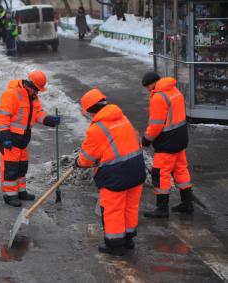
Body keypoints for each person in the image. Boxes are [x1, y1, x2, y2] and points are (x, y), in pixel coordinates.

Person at [75, 89, 146, 256]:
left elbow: (86, 159)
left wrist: (77, 162)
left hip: (116, 175)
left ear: (91, 110)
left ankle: (115, 245)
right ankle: (128, 240)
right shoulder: (122, 117)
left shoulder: (97, 128)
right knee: (130, 206)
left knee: (113, 209)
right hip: (136, 168)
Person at [0, 71, 61, 207]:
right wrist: (5, 137)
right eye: (36, 89)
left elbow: (38, 113)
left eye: (38, 90)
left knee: (21, 167)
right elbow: (3, 117)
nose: (37, 93)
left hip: (23, 138)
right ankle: (10, 195)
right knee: (10, 168)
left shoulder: (33, 97)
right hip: (10, 138)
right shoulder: (11, 94)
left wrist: (49, 120)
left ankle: (21, 191)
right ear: (28, 85)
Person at [141, 72, 193, 218]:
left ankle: (162, 209)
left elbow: (156, 125)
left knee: (160, 173)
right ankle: (187, 203)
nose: (148, 90)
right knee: (181, 169)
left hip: (167, 142)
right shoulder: (174, 90)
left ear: (153, 83)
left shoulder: (158, 97)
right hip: (181, 137)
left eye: (147, 87)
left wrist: (146, 139)